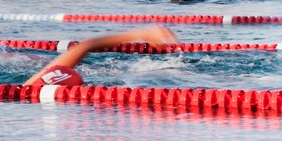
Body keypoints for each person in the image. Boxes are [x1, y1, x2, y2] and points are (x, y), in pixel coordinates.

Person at [23, 25, 180, 88]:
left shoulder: (27, 90)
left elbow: (83, 48)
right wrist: (138, 34)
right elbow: (83, 47)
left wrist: (139, 34)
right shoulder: (27, 89)